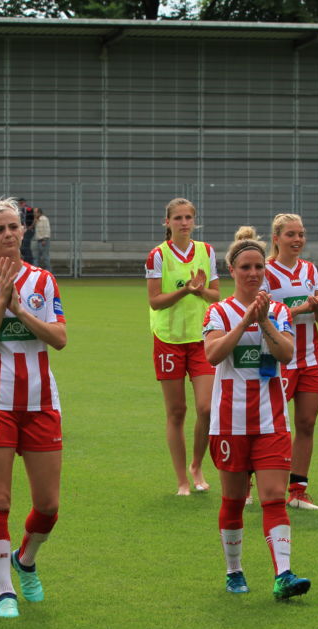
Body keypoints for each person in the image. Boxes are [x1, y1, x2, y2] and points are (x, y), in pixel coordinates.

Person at [0, 197, 66, 618]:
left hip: (41, 402)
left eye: (12, 227)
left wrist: (20, 309)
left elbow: (59, 339)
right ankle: (5, 591)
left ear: (22, 231)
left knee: (48, 505)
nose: (7, 234)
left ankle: (26, 559)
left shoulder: (44, 281)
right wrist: (2, 300)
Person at [203, 226, 311, 599]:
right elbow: (213, 354)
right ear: (232, 270)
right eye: (246, 267)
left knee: (273, 496)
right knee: (233, 501)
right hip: (229, 423)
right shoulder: (217, 311)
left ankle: (284, 574)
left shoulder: (278, 311)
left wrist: (263, 320)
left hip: (271, 421)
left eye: (259, 267)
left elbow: (286, 353)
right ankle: (234, 570)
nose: (253, 273)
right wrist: (245, 320)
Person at [145, 198, 219, 495]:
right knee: (177, 411)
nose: (184, 223)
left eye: (188, 217)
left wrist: (200, 291)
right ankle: (182, 481)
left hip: (202, 338)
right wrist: (185, 291)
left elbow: (216, 295)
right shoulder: (157, 255)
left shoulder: (206, 251)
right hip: (169, 339)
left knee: (207, 407)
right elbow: (155, 301)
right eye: (178, 218)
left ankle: (197, 465)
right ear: (168, 222)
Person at [262, 213, 318, 511]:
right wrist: (303, 307)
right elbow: (264, 316)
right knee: (271, 424)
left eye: (301, 234)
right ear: (276, 238)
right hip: (281, 359)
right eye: (291, 234)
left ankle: (298, 491)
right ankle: (252, 482)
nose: (298, 239)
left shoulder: (310, 270)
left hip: (311, 358)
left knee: (306, 423)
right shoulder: (265, 272)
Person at [18, 198, 35, 265]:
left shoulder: (29, 209)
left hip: (29, 229)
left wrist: (31, 226)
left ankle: (29, 261)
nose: (21, 204)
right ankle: (28, 260)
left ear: (25, 203)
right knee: (23, 246)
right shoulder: (19, 211)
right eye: (20, 203)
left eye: (22, 203)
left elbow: (33, 217)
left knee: (25, 245)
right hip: (23, 230)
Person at [34, 208, 51, 272]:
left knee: (45, 256)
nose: (34, 214)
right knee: (37, 256)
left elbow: (47, 229)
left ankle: (48, 270)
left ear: (39, 213)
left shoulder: (44, 219)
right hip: (39, 239)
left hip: (43, 240)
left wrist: (44, 239)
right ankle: (35, 270)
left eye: (35, 212)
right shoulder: (37, 220)